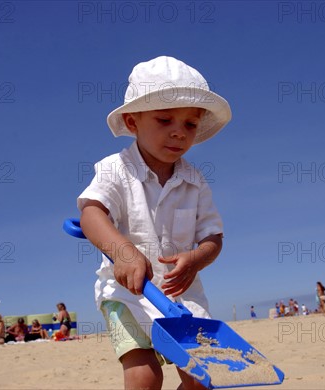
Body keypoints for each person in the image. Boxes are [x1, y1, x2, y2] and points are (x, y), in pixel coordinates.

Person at [78, 56, 231, 390]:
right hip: (128, 295)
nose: (179, 131)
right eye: (164, 119)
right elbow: (91, 213)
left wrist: (197, 258)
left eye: (191, 124)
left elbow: (213, 236)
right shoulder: (114, 169)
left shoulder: (195, 180)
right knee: (145, 374)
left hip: (183, 297)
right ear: (132, 123)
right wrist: (122, 251)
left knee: (201, 379)